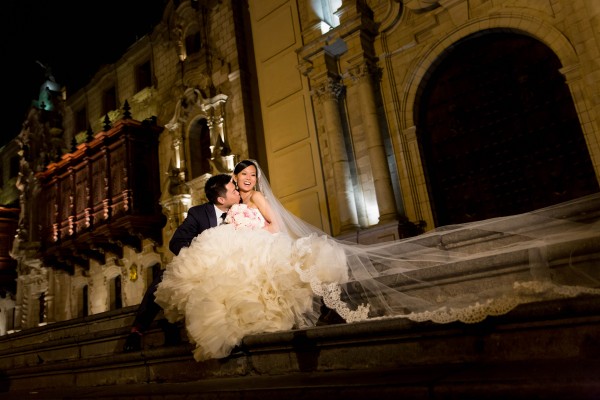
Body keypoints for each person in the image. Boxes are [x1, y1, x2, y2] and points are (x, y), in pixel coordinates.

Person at [155, 159, 600, 361]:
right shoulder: (229, 207)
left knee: (264, 278)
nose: (246, 182)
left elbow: (272, 227)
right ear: (232, 183)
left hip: (256, 243)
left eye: (250, 177)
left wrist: (251, 230)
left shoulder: (259, 205)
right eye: (242, 177)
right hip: (237, 246)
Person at [123, 173, 240, 352]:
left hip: (234, 265)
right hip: (203, 263)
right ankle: (137, 330)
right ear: (221, 198)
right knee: (164, 278)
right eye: (234, 190)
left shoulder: (245, 210)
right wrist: (198, 256)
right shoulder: (199, 213)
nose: (238, 191)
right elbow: (176, 242)